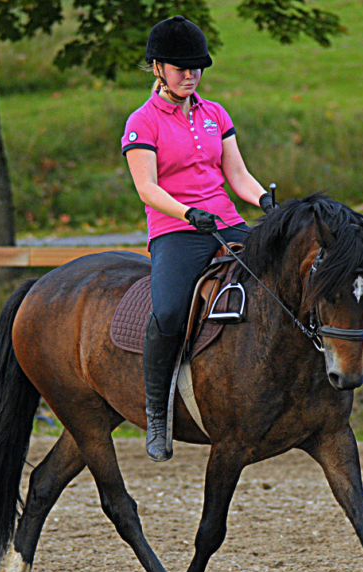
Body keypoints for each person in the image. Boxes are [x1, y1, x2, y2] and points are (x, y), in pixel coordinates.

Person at [122, 15, 277, 462]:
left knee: (280, 281)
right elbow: (147, 187)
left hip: (226, 222)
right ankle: (157, 414)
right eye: (179, 67)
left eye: (196, 68)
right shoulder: (142, 122)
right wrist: (189, 212)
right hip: (177, 229)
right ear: (157, 68)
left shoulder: (215, 114)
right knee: (169, 311)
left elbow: (237, 175)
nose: (190, 75)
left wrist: (266, 202)